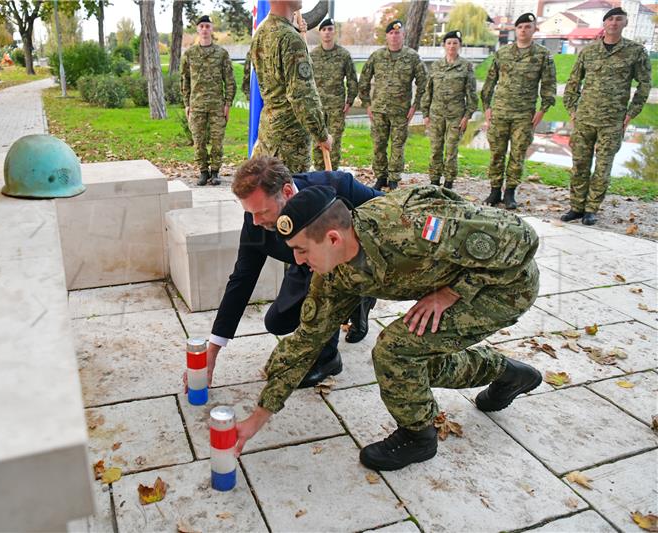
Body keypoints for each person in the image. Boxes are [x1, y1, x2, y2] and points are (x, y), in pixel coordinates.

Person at [235, 184, 543, 471]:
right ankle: (507, 374)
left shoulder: (410, 226)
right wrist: (258, 416)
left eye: (302, 250)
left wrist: (451, 293)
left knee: (394, 351)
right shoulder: (333, 275)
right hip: (458, 284)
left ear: (332, 238)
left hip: (503, 285)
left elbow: (522, 238)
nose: (298, 261)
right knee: (412, 370)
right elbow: (306, 341)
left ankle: (419, 437)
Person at [183, 156, 382, 394]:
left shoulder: (339, 186)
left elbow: (394, 211)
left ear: (287, 191)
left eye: (262, 211)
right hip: (307, 267)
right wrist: (212, 351)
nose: (255, 221)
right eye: (250, 212)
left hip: (352, 264)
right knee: (277, 321)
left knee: (320, 300)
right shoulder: (255, 221)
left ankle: (329, 358)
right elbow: (242, 278)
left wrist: (439, 293)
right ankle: (357, 304)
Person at [561, 7, 652, 226]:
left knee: (603, 167)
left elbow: (644, 84)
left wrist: (630, 113)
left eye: (618, 19)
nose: (613, 23)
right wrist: (572, 110)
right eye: (610, 19)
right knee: (580, 165)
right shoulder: (588, 51)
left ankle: (591, 209)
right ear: (604, 23)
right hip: (584, 119)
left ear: (625, 23)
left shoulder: (635, 51)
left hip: (612, 121)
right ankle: (576, 207)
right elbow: (573, 82)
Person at [480, 13, 556, 210]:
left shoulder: (542, 55)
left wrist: (542, 111)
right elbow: (490, 81)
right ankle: (495, 190)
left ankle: (510, 192)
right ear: (515, 29)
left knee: (517, 154)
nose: (523, 30)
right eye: (520, 27)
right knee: (496, 153)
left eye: (528, 27)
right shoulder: (502, 53)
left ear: (534, 29)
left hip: (524, 115)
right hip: (500, 112)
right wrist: (486, 107)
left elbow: (548, 85)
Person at [250, 0, 332, 173]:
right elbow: (302, 96)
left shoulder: (261, 32)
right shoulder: (290, 39)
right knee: (289, 195)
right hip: (290, 141)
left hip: (268, 131)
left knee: (271, 193)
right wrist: (322, 135)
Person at [358, 20, 427, 191]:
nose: (394, 36)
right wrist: (367, 104)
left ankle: (394, 178)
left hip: (401, 111)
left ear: (403, 35)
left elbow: (424, 83)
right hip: (379, 110)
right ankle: (381, 177)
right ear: (386, 36)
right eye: (391, 33)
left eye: (398, 33)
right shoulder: (377, 56)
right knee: (379, 145)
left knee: (397, 145)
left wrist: (415, 106)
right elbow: (364, 81)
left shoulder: (412, 57)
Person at [181, 15, 236, 186]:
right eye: (202, 26)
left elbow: (230, 80)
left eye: (207, 26)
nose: (204, 29)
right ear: (197, 29)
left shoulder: (221, 54)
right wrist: (187, 104)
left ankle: (215, 172)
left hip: (216, 105)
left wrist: (228, 104)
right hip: (197, 105)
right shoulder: (189, 54)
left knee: (218, 142)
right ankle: (203, 172)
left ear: (212, 29)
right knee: (199, 141)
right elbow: (185, 80)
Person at [421, 30, 477, 189]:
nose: (452, 46)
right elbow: (428, 91)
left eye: (455, 43)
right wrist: (425, 113)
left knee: (451, 151)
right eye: (449, 43)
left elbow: (471, 93)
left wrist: (467, 116)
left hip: (456, 116)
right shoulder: (436, 65)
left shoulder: (465, 66)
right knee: (435, 149)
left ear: (460, 45)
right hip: (436, 115)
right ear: (444, 46)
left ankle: (448, 183)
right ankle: (434, 181)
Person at [310, 18, 358, 170]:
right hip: (317, 106)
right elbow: (307, 80)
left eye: (330, 29)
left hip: (337, 106)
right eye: (324, 30)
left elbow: (352, 79)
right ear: (320, 33)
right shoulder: (312, 55)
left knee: (334, 141)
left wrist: (349, 101)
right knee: (317, 140)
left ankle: (333, 173)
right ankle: (319, 173)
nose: (327, 33)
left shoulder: (343, 55)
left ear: (334, 32)